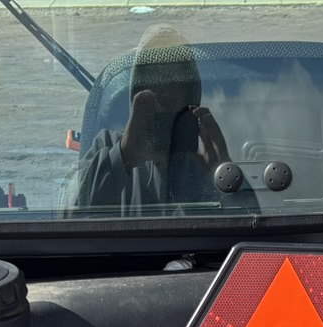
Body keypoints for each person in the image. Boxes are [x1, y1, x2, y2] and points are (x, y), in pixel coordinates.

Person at [70, 27, 252, 214]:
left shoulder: (203, 161)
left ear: (190, 92)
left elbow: (250, 220)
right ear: (138, 88)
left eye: (175, 78)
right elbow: (73, 215)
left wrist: (220, 169)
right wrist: (124, 155)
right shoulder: (107, 145)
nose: (165, 89)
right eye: (154, 77)